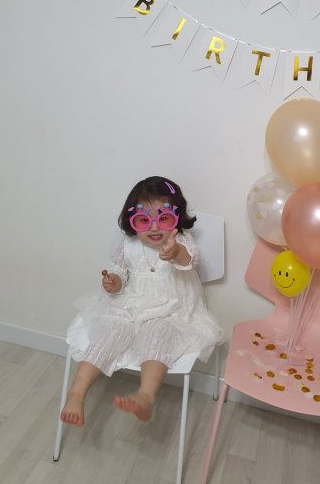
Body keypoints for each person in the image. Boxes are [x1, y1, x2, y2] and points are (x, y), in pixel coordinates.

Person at [60, 176, 224, 425]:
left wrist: (175, 252)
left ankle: (145, 396)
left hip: (171, 309)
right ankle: (77, 392)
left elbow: (189, 261)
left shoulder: (180, 242)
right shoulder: (129, 245)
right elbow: (120, 272)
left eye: (164, 218)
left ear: (176, 218)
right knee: (109, 333)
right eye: (144, 220)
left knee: (157, 336)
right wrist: (114, 282)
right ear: (132, 221)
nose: (154, 228)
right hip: (130, 304)